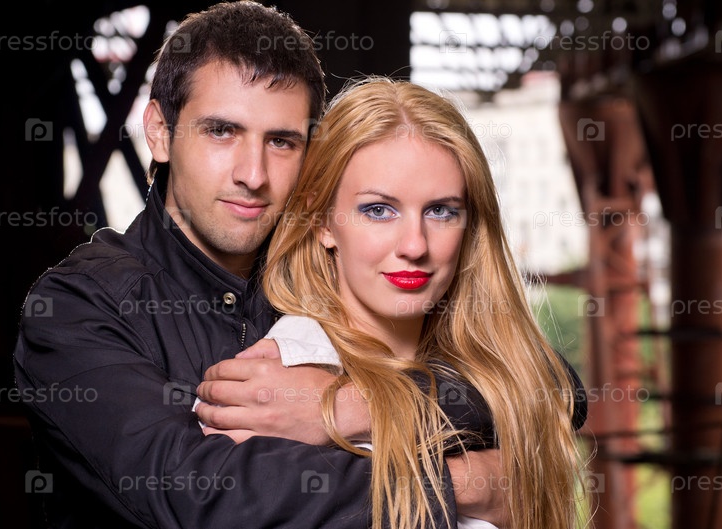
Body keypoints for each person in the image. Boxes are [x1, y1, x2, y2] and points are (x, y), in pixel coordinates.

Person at [13, 2, 521, 527]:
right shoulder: (77, 306)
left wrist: (350, 406)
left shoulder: (331, 266)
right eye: (221, 131)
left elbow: (545, 382)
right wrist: (463, 484)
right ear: (160, 132)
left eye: (281, 141)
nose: (253, 174)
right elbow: (202, 498)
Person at [196, 78, 589, 529]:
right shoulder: (270, 390)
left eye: (441, 211)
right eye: (378, 210)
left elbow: (562, 391)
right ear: (322, 221)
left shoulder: (499, 375)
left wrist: (360, 407)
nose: (414, 245)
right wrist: (479, 485)